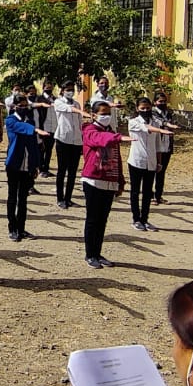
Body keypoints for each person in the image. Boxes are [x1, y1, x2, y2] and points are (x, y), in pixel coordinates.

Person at [79, 100, 126, 269]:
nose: (106, 116)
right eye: (103, 113)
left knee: (102, 220)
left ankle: (98, 253)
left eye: (108, 113)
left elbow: (117, 157)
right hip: (93, 180)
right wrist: (118, 137)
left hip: (109, 180)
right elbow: (99, 139)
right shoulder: (89, 130)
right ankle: (90, 254)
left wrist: (120, 180)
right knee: (93, 219)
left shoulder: (110, 131)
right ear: (93, 115)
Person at [126, 97, 179, 232]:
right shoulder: (133, 122)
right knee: (135, 191)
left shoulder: (155, 122)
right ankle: (136, 219)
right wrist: (161, 130)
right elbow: (146, 128)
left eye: (148, 108)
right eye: (142, 108)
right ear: (137, 109)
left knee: (147, 192)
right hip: (136, 161)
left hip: (151, 162)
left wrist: (159, 162)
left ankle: (145, 219)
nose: (145, 110)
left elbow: (158, 145)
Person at [3, 92, 43, 241]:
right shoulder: (10, 120)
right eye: (21, 106)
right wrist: (35, 130)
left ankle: (21, 228)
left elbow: (33, 145)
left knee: (23, 199)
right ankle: (12, 228)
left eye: (26, 106)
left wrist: (36, 165)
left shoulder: (30, 120)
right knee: (12, 197)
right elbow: (20, 127)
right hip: (14, 164)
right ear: (14, 106)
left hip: (27, 166)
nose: (24, 108)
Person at [54, 82, 88, 209]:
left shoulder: (77, 104)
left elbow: (79, 123)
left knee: (73, 172)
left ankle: (68, 198)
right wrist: (81, 111)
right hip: (63, 139)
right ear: (62, 90)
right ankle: (60, 198)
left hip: (76, 141)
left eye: (72, 89)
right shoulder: (58, 102)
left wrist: (82, 139)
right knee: (62, 170)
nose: (70, 92)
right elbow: (69, 109)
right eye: (68, 89)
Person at [150, 90, 176, 203]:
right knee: (153, 170)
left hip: (167, 144)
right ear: (155, 102)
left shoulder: (168, 112)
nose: (163, 103)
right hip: (156, 145)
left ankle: (158, 195)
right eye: (160, 101)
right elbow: (160, 122)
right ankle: (150, 195)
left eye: (164, 101)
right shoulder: (152, 112)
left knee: (162, 171)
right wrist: (168, 125)